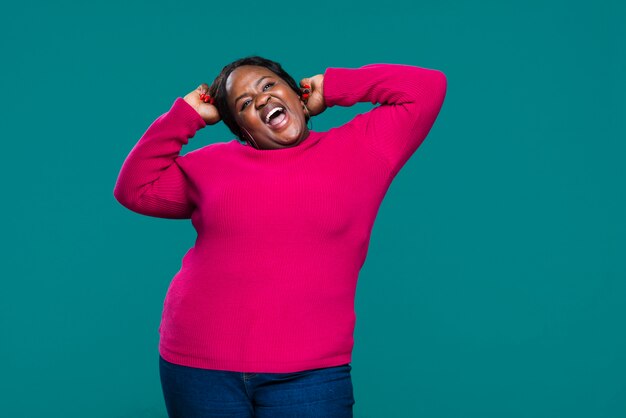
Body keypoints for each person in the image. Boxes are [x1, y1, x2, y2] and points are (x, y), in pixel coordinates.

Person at [113, 55, 447, 417]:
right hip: (198, 362)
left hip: (310, 372)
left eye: (268, 85)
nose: (260, 99)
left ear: (297, 95)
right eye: (244, 104)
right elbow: (134, 189)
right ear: (242, 129)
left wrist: (333, 87)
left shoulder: (363, 149)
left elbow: (426, 88)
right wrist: (185, 116)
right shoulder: (209, 166)